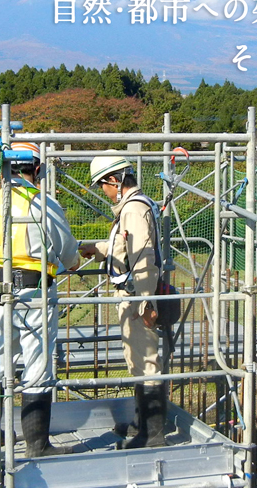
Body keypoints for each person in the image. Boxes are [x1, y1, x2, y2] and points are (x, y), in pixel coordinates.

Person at [0, 141, 81, 458]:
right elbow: (68, 251)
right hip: (35, 292)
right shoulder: (41, 202)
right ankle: (38, 445)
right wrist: (67, 264)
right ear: (36, 169)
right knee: (37, 363)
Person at [78, 155, 168, 449]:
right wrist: (97, 248)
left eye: (102, 185)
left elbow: (143, 258)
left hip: (136, 296)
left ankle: (152, 435)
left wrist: (146, 304)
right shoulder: (135, 206)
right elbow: (125, 245)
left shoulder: (133, 209)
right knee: (137, 361)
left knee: (146, 362)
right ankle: (141, 424)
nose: (102, 191)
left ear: (114, 181)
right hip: (133, 294)